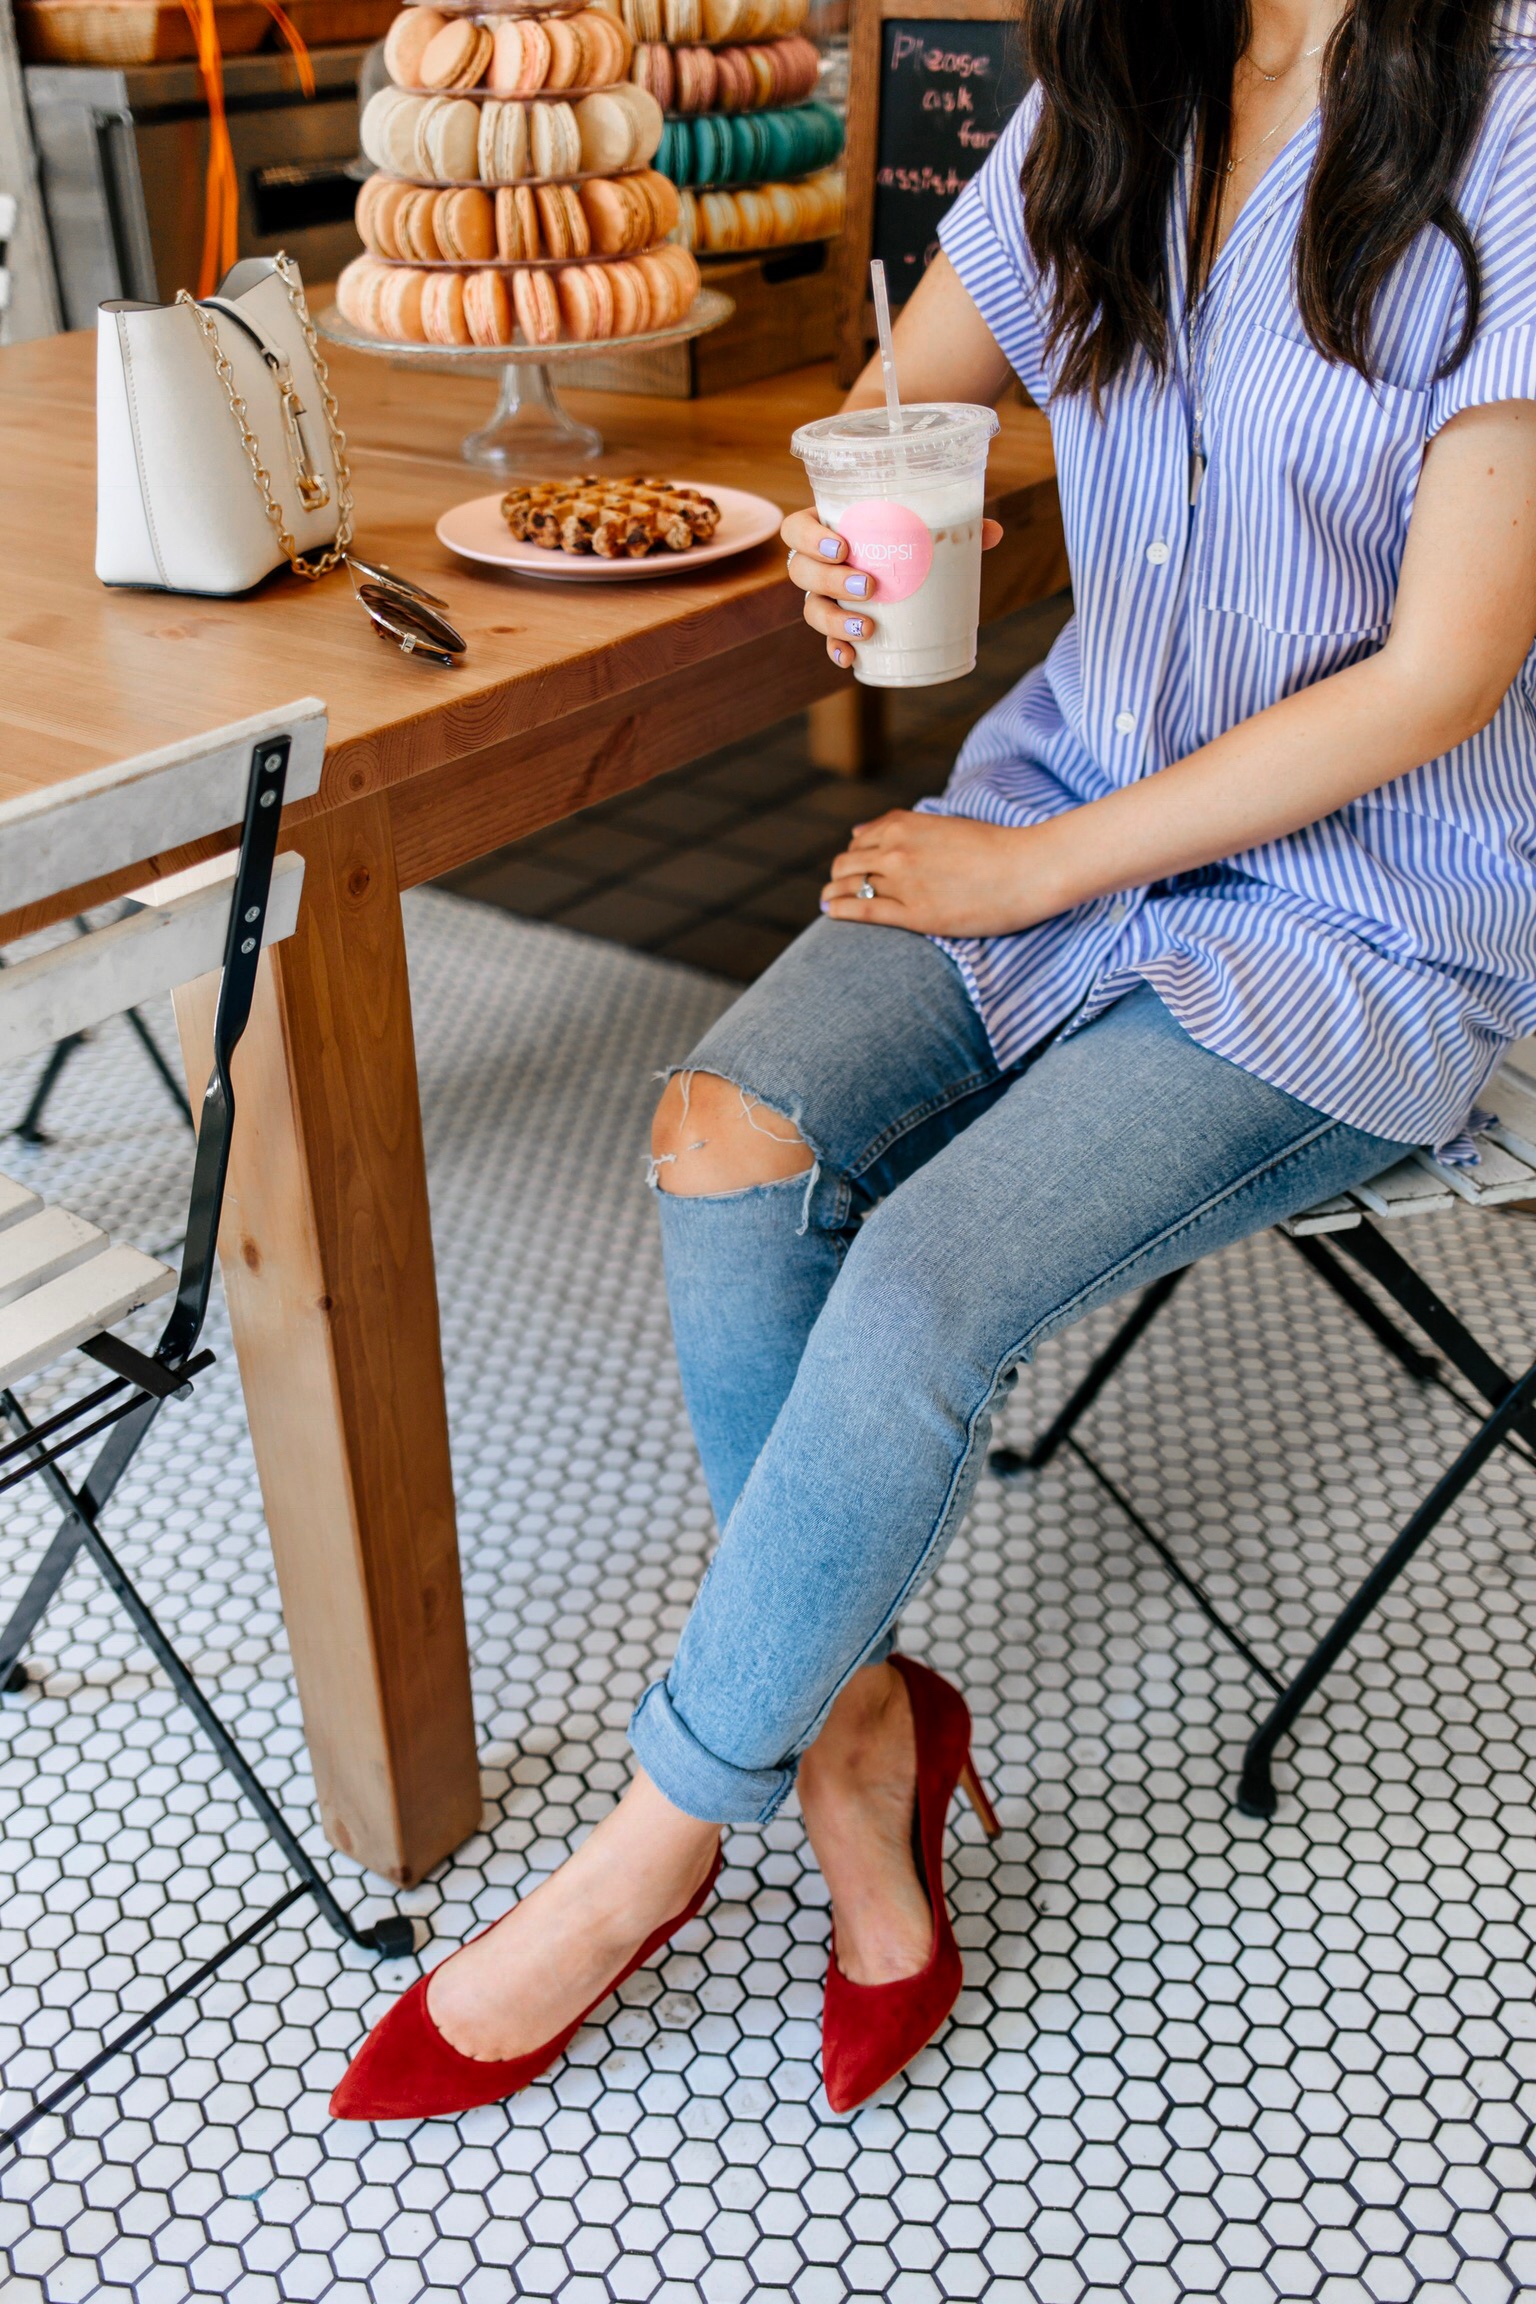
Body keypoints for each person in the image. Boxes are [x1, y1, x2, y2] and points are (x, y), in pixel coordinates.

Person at [333, 0, 1536, 2122]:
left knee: (917, 1284)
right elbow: (906, 381)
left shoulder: (1514, 132)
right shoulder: (1123, 83)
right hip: (1063, 810)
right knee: (722, 1132)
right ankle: (864, 1736)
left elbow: (1444, 675)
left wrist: (1041, 869)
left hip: (1358, 908)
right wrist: (856, 507)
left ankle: (648, 1850)